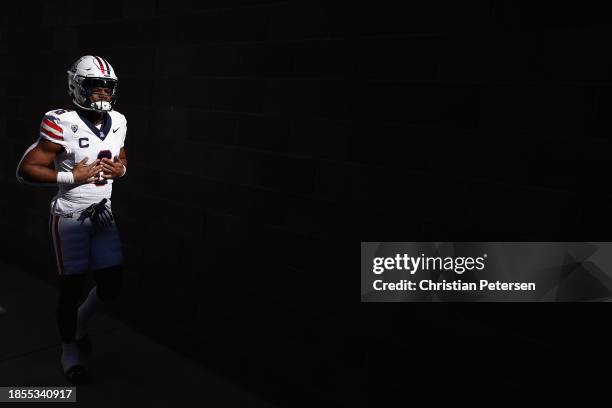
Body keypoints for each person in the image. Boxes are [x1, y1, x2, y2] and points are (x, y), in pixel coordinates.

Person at [16, 55, 128, 384]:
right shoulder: (61, 121)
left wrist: (121, 169)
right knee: (71, 287)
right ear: (77, 86)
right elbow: (25, 169)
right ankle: (69, 350)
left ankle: (80, 321)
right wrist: (69, 178)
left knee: (111, 286)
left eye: (108, 89)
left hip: (104, 214)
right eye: (96, 87)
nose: (102, 95)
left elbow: (121, 157)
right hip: (70, 216)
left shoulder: (119, 120)